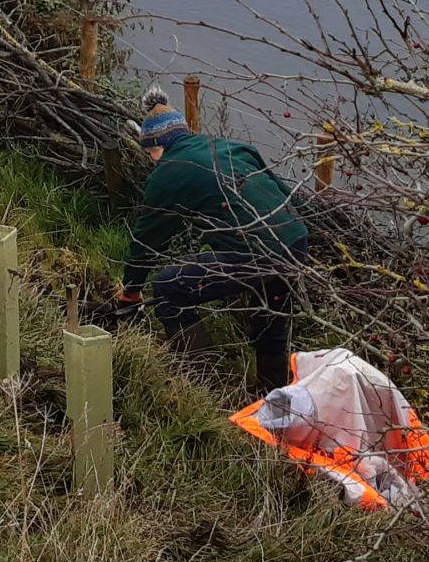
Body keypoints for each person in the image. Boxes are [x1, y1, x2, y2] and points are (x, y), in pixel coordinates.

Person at [118, 92, 312, 394]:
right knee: (270, 318)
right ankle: (272, 398)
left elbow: (147, 238)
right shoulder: (230, 147)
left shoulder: (168, 172)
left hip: (257, 253)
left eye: (149, 154)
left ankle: (204, 383)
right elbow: (283, 193)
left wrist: (130, 290)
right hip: (294, 239)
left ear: (155, 148)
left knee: (169, 289)